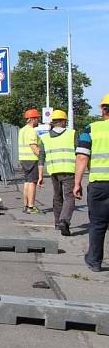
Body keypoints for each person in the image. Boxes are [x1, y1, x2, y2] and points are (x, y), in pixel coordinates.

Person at [74, 93, 109, 272]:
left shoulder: (91, 129)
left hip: (100, 185)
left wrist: (77, 183)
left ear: (103, 109)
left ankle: (95, 261)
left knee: (97, 224)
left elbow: (81, 157)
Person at [37, 109, 77, 235]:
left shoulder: (44, 137)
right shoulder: (72, 134)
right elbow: (80, 153)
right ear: (64, 121)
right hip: (69, 170)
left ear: (53, 122)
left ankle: (57, 222)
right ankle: (64, 221)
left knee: (57, 197)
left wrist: (40, 176)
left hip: (54, 172)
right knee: (69, 197)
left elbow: (41, 157)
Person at [18, 108, 42, 214]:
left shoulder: (22, 130)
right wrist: (41, 156)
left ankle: (25, 205)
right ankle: (31, 207)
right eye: (37, 118)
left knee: (27, 182)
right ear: (32, 119)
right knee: (32, 182)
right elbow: (33, 146)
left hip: (23, 159)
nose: (38, 120)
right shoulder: (31, 131)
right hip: (31, 159)